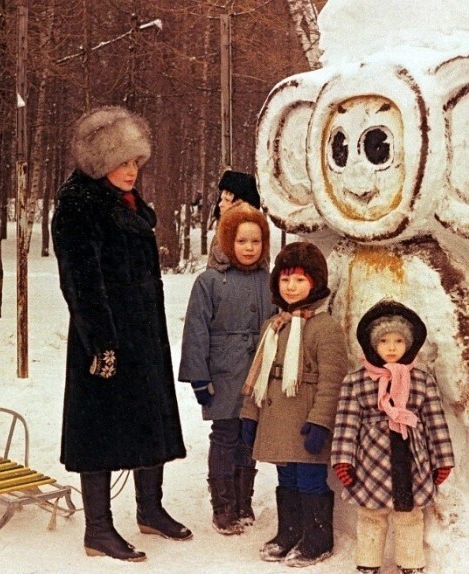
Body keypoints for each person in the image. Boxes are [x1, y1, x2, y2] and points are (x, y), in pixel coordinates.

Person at [51, 105, 190, 562]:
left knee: (148, 419)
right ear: (99, 162)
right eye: (122, 162)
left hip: (143, 335)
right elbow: (80, 281)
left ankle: (150, 510)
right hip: (105, 340)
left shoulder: (126, 203)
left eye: (136, 162)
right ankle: (98, 530)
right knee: (101, 431)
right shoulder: (79, 205)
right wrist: (102, 344)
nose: (131, 171)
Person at [240, 241, 349, 567]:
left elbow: (333, 381)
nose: (291, 286)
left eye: (300, 280)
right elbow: (257, 374)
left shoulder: (324, 328)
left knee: (309, 479)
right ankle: (289, 532)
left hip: (305, 422)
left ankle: (317, 538)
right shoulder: (273, 326)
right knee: (285, 478)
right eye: (285, 279)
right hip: (277, 422)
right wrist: (250, 415)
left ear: (315, 283)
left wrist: (320, 422)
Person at [331, 299, 456, 574]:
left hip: (412, 459)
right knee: (370, 515)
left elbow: (435, 422)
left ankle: (411, 564)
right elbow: (346, 424)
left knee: (409, 515)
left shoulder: (422, 380)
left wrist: (442, 460)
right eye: (384, 340)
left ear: (409, 344)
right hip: (372, 459)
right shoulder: (356, 380)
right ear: (372, 345)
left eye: (398, 341)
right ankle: (368, 563)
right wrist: (343, 460)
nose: (391, 347)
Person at [178, 202, 276, 535]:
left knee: (249, 435)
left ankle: (242, 499)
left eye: (256, 241)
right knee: (225, 435)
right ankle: (223, 506)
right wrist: (199, 378)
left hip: (258, 371)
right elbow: (196, 329)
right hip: (223, 372)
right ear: (227, 242)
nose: (249, 248)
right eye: (241, 241)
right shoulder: (209, 281)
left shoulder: (269, 279)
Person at [207, 170, 262, 272]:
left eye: (227, 200)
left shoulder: (256, 237)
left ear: (243, 205)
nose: (220, 204)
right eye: (221, 199)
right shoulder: (219, 236)